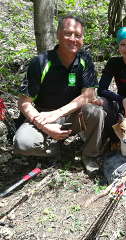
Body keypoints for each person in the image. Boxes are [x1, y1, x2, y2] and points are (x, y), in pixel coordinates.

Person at [14, 15, 106, 174]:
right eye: (68, 33)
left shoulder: (85, 60)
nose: (73, 39)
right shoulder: (41, 62)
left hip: (72, 116)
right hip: (43, 115)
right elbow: (24, 103)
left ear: (83, 38)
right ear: (58, 35)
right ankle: (55, 148)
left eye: (78, 35)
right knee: (22, 143)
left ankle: (90, 155)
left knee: (96, 112)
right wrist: (45, 126)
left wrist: (58, 113)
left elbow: (88, 95)